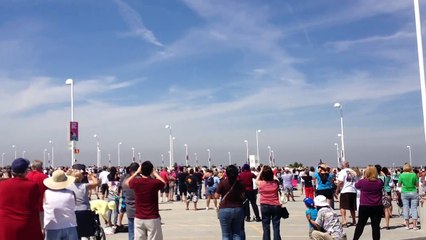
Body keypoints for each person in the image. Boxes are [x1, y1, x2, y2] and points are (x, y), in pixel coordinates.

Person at [0, 158, 43, 240]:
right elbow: (35, 203)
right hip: (26, 224)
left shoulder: (2, 184)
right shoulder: (32, 186)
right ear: (26, 171)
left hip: (5, 224)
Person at [126, 161, 166, 240]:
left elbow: (127, 182)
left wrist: (137, 172)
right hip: (152, 217)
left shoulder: (136, 182)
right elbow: (163, 183)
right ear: (151, 170)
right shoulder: (154, 183)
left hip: (139, 217)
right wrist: (155, 173)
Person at [43, 169, 78, 240]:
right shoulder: (71, 193)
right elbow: (74, 205)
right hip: (70, 225)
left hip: (52, 226)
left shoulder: (46, 193)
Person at [67, 166, 99, 239]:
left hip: (73, 211)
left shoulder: (68, 186)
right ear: (81, 178)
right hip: (85, 211)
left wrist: (68, 174)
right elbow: (96, 183)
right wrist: (91, 175)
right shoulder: (85, 186)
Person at [215, 165, 246, 240]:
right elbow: (243, 196)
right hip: (238, 208)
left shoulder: (222, 183)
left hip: (225, 209)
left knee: (226, 234)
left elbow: (216, 196)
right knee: (237, 233)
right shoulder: (240, 183)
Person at [353, 165, 383, 240]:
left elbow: (356, 186)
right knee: (376, 227)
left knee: (360, 225)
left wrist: (364, 177)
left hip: (365, 206)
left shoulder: (363, 182)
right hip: (377, 206)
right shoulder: (379, 182)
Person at [256, 165, 281, 240]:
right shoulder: (276, 183)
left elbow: (256, 179)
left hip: (265, 205)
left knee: (266, 227)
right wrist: (270, 172)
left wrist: (261, 171)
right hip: (275, 205)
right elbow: (276, 178)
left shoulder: (261, 183)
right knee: (276, 227)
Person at [26, 159, 48, 232]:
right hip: (42, 205)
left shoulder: (27, 176)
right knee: (42, 228)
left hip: (29, 207)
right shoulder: (44, 177)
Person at [335, 161, 358, 227]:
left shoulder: (342, 172)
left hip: (345, 191)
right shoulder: (353, 172)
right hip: (353, 190)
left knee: (343, 206)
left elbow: (340, 181)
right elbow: (356, 181)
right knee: (352, 207)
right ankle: (354, 221)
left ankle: (344, 221)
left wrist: (337, 189)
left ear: (342, 166)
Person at [398, 163, 419, 230]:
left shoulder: (401, 175)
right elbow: (417, 184)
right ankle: (414, 226)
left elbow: (399, 184)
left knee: (405, 208)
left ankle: (407, 225)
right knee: (414, 209)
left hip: (405, 192)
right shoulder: (414, 175)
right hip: (413, 192)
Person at [122, 162, 139, 240]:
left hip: (130, 209)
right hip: (140, 209)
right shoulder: (141, 180)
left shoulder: (125, 181)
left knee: (131, 232)